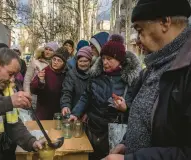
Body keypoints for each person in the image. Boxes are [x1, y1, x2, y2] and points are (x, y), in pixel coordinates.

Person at [106, 0, 191, 160]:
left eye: (140, 30)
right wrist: (126, 143)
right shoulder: (153, 68)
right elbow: (142, 120)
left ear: (165, 22)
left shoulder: (186, 72)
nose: (137, 40)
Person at [69, 36, 141, 160]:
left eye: (109, 59)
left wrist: (125, 108)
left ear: (119, 60)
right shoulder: (96, 75)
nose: (104, 62)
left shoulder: (131, 81)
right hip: (92, 130)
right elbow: (86, 96)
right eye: (103, 58)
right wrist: (75, 113)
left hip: (113, 134)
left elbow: (138, 111)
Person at [30, 47, 69, 120]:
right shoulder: (46, 71)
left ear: (64, 63)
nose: (55, 62)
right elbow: (32, 89)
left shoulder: (65, 74)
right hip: (43, 113)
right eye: (54, 59)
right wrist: (40, 81)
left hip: (58, 113)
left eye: (59, 61)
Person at [61, 46, 93, 117]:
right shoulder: (71, 74)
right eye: (80, 61)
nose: (82, 64)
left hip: (90, 115)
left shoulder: (94, 75)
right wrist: (65, 105)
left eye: (85, 61)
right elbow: (66, 91)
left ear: (90, 62)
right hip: (73, 112)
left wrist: (89, 113)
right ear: (77, 61)